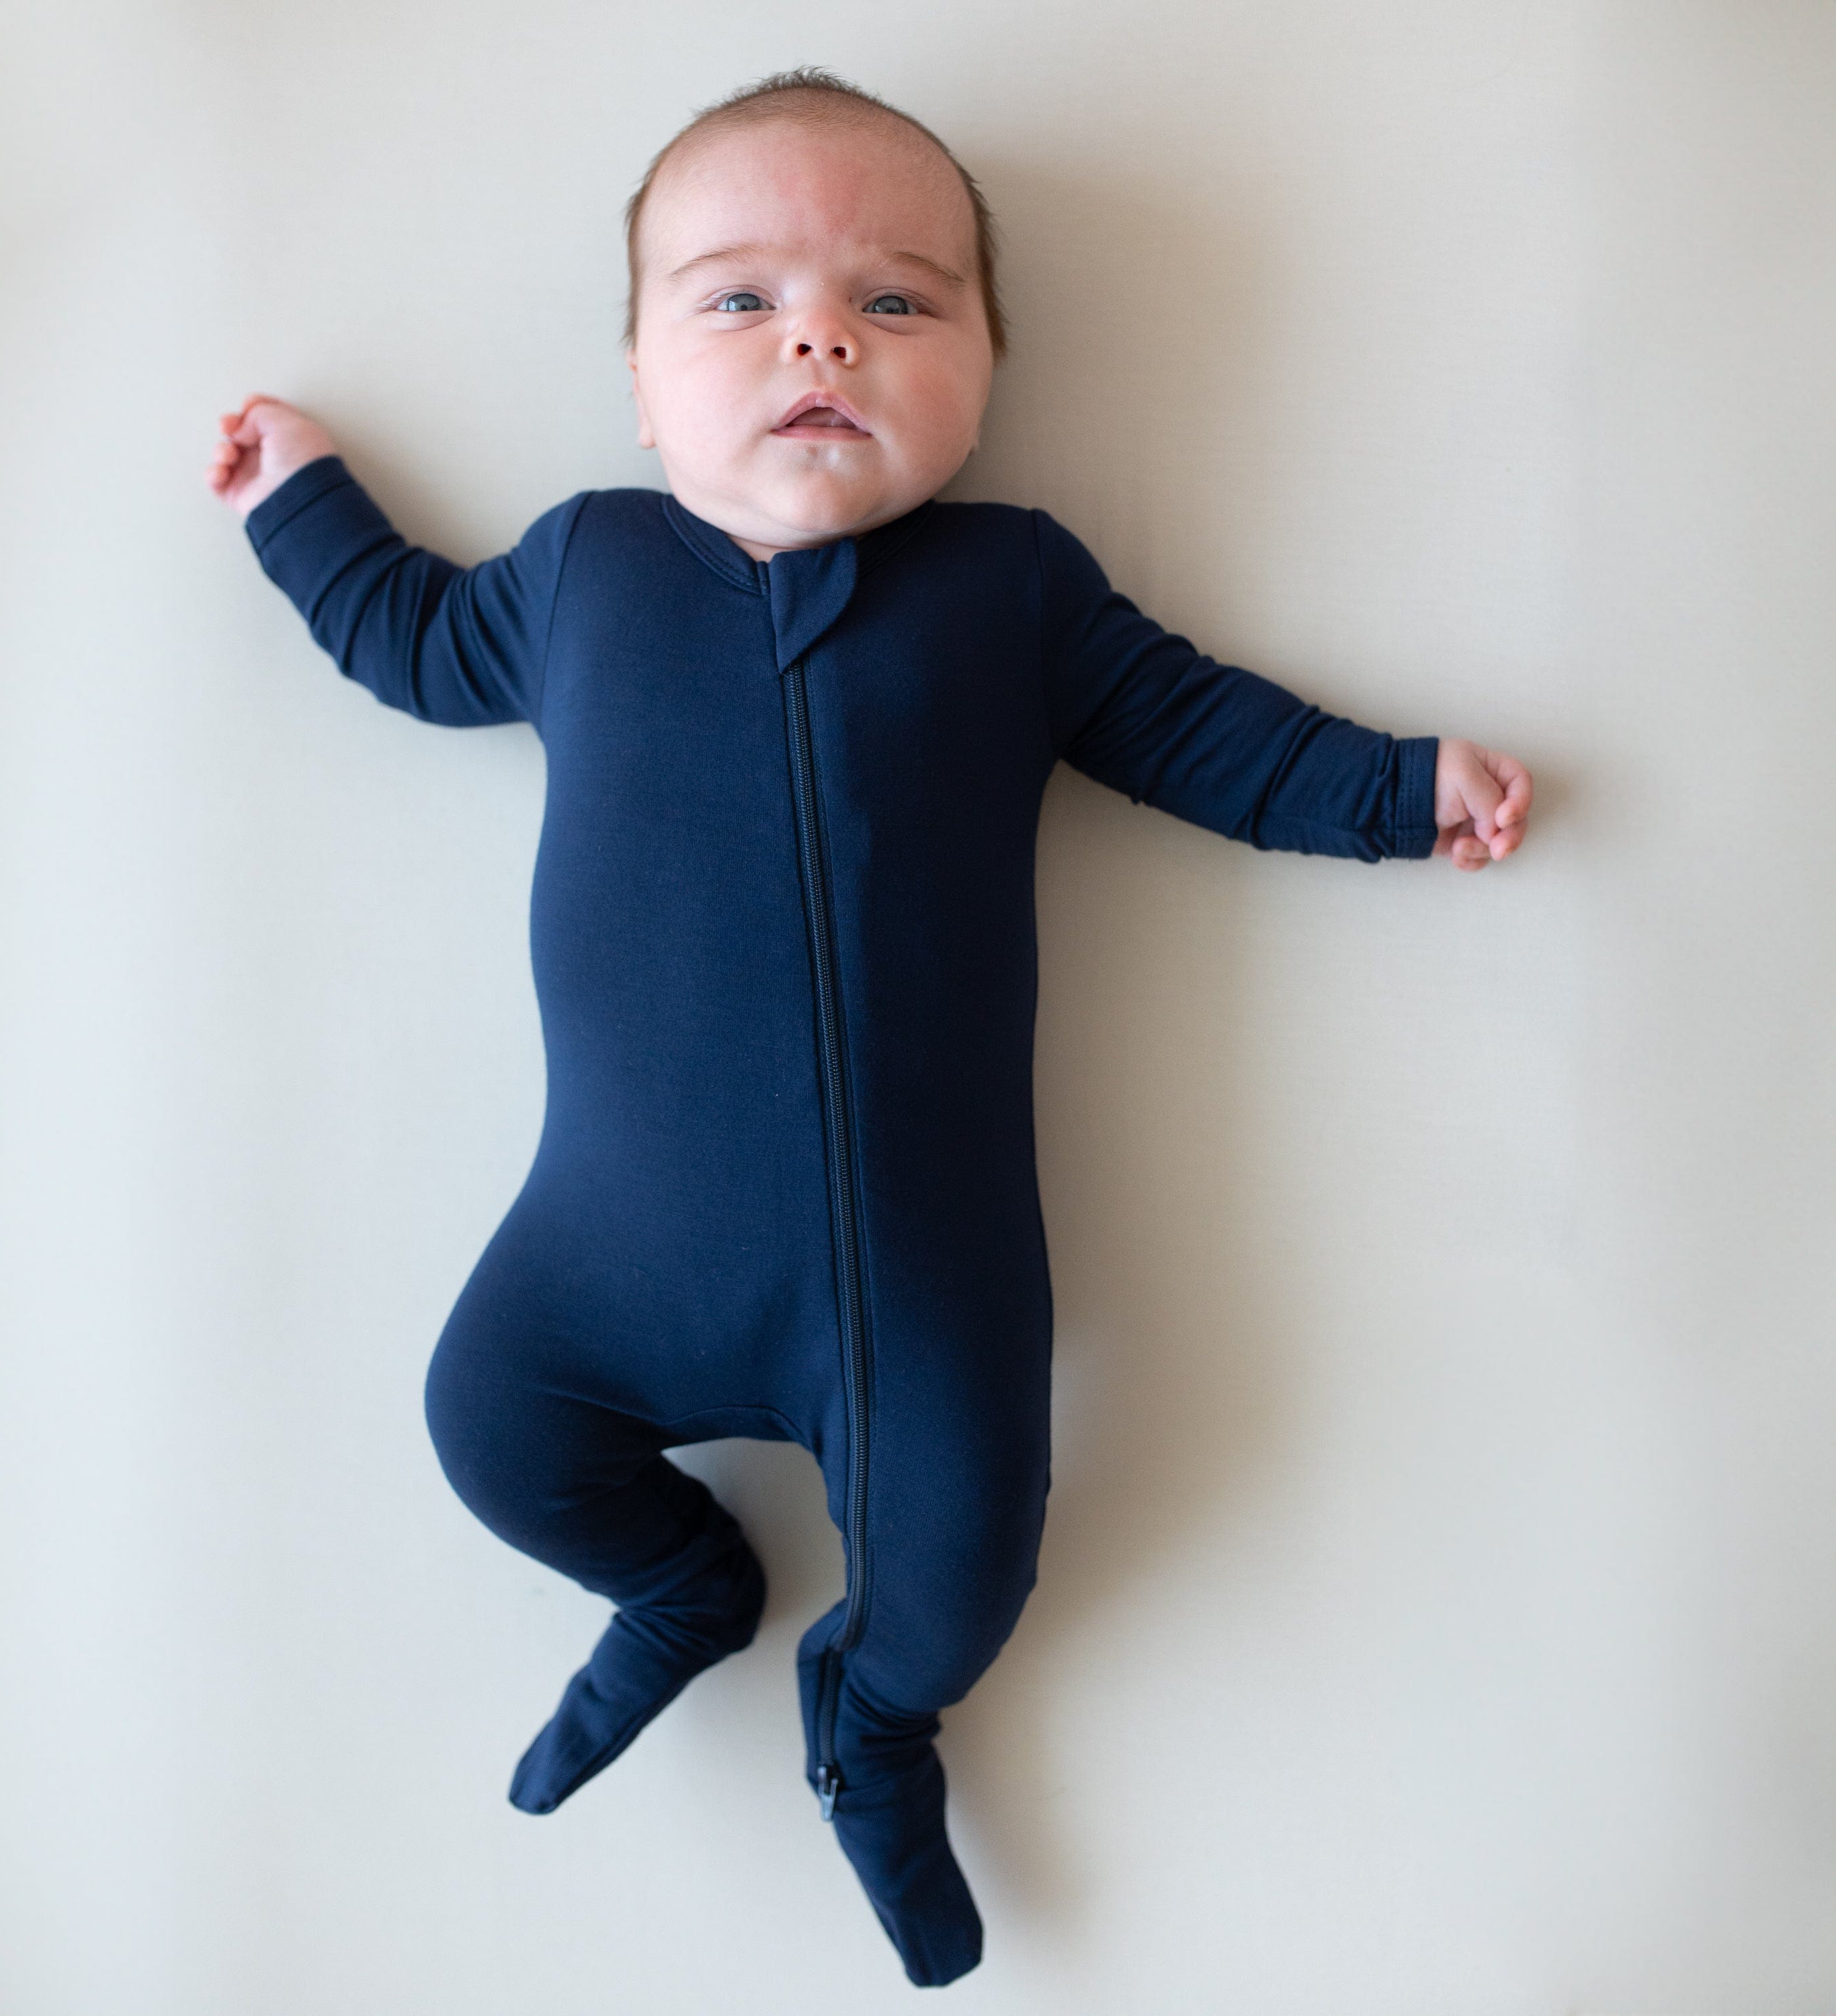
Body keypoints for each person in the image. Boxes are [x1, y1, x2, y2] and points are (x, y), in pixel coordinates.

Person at [205, 68, 1532, 1988]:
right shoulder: (581, 573)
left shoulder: (1015, 593)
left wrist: (1399, 788)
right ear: (643, 381)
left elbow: (1201, 732)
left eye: (898, 301)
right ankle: (682, 1588)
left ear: (987, 366)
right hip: (601, 1264)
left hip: (923, 1282)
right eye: (737, 301)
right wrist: (297, 499)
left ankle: (873, 1723)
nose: (820, 333)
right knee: (483, 1423)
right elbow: (409, 636)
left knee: (966, 1569)